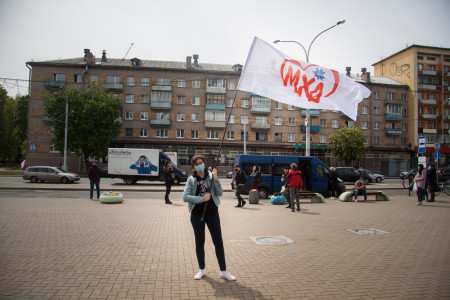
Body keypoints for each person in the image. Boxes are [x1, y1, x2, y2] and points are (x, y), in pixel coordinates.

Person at [183, 154, 236, 281]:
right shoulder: (191, 180)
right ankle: (201, 270)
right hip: (197, 215)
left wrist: (216, 179)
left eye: (201, 162)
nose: (199, 165)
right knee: (199, 242)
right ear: (194, 167)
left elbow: (220, 193)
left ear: (204, 163)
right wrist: (202, 199)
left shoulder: (211, 177)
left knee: (218, 241)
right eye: (196, 164)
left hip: (212, 213)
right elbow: (185, 197)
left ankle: (223, 271)